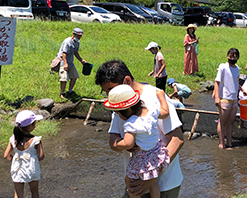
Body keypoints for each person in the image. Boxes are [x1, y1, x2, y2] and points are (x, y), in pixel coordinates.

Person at [95, 60, 184, 198]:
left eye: (110, 89)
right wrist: (123, 144)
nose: (109, 95)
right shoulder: (118, 103)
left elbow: (177, 139)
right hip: (134, 181)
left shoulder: (154, 98)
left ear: (127, 81)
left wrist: (150, 176)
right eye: (105, 91)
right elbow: (113, 139)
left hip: (164, 184)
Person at [104, 85, 170, 198]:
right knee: (153, 183)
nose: (118, 116)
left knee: (129, 182)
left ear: (128, 109)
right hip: (156, 152)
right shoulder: (151, 111)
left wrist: (118, 143)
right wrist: (161, 96)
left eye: (119, 112)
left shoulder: (131, 123)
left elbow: (128, 143)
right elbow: (165, 112)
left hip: (142, 156)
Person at [3, 110, 45, 198]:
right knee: (34, 191)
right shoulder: (36, 140)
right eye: (34, 123)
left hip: (17, 167)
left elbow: (6, 156)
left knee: (18, 193)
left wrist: (15, 159)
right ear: (30, 126)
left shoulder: (13, 139)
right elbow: (41, 157)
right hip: (31, 168)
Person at [213, 48, 246, 150]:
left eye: (235, 56)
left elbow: (235, 81)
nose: (233, 58)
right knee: (222, 122)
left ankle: (229, 142)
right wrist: (217, 97)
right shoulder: (223, 67)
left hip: (234, 99)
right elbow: (217, 82)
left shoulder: (236, 69)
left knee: (231, 123)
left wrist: (242, 89)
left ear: (238, 58)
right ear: (227, 56)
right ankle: (221, 143)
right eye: (231, 56)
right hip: (224, 99)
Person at [57, 28, 87, 99]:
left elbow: (75, 52)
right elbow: (64, 53)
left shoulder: (77, 42)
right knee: (64, 78)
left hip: (70, 62)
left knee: (74, 76)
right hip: (63, 62)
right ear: (73, 34)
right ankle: (62, 93)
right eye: (78, 35)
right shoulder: (68, 42)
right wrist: (65, 64)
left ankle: (70, 91)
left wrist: (81, 60)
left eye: (80, 36)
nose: (79, 37)